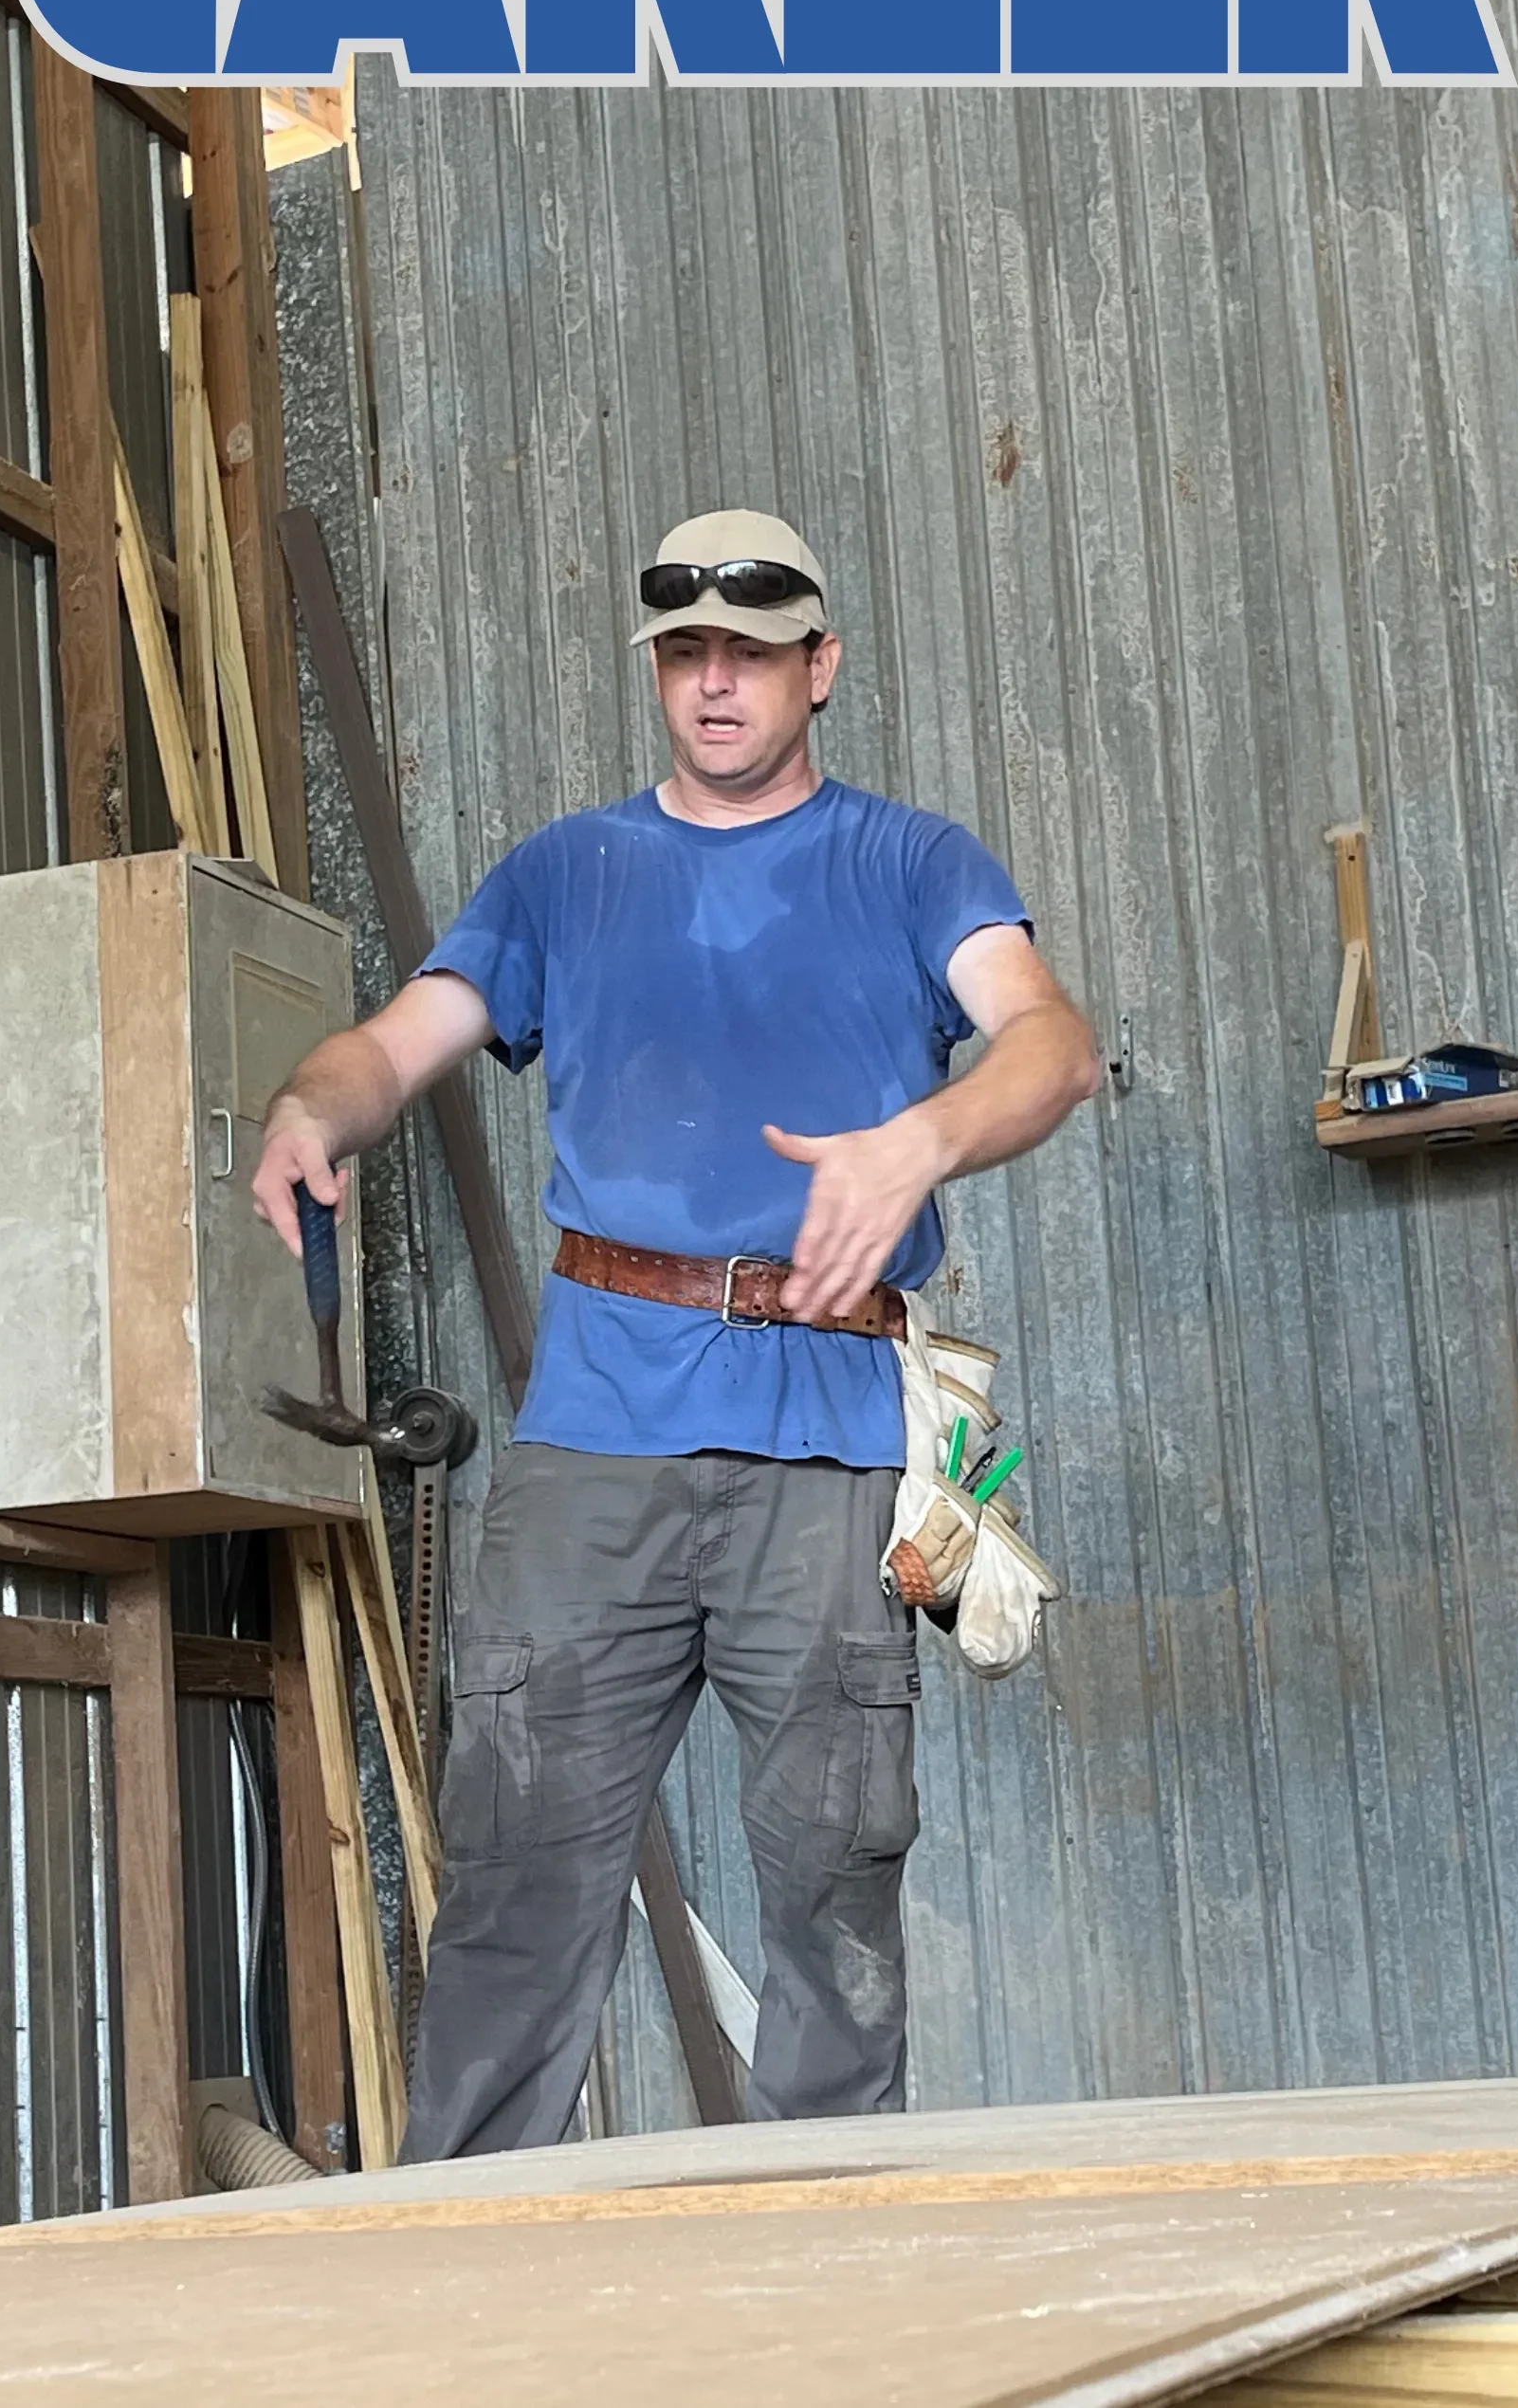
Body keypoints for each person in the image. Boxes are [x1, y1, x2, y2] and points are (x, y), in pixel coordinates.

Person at [251, 508, 1101, 2155]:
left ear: (820, 665)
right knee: (514, 1875)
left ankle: (824, 2266)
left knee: (834, 1891)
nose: (716, 685)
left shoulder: (915, 864)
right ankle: (466, 2260)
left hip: (834, 1436)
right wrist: (310, 1107)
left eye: (753, 652)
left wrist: (921, 1139)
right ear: (657, 668)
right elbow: (394, 1041)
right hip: (598, 1439)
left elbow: (1049, 1043)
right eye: (686, 655)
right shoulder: (568, 874)